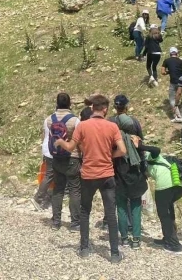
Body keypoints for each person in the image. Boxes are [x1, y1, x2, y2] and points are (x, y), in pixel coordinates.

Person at [55, 94, 126, 263]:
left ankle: (84, 248)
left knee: (85, 211)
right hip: (107, 174)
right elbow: (123, 150)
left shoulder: (83, 126)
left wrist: (59, 142)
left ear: (92, 108)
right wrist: (110, 155)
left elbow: (71, 146)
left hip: (88, 174)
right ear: (105, 109)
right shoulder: (112, 127)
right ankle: (115, 253)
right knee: (110, 213)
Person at [109, 95, 147, 250]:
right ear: (126, 107)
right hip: (134, 167)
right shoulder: (134, 123)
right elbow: (141, 144)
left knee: (121, 205)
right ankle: (136, 238)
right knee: (136, 204)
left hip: (117, 168)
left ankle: (124, 238)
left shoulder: (110, 124)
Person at [46, 93, 81, 230]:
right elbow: (79, 140)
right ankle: (75, 223)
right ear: (69, 104)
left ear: (57, 103)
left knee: (58, 189)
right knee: (74, 190)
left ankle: (56, 221)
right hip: (72, 157)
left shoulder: (49, 119)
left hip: (56, 158)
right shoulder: (74, 121)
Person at [145, 146, 182, 254]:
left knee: (164, 214)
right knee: (168, 211)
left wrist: (140, 146)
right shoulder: (161, 160)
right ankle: (168, 238)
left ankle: (174, 245)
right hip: (180, 184)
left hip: (166, 185)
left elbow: (155, 150)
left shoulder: (148, 156)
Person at [32, 111, 56, 212]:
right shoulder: (68, 119)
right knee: (50, 174)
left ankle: (48, 195)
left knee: (50, 173)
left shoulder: (47, 119)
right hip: (56, 150)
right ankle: (38, 198)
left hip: (47, 149)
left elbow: (44, 135)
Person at [161, 47, 182, 122]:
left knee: (172, 99)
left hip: (173, 82)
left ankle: (178, 116)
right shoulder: (181, 61)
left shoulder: (166, 61)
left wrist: (169, 71)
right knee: (179, 96)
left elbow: (163, 72)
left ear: (170, 54)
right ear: (177, 53)